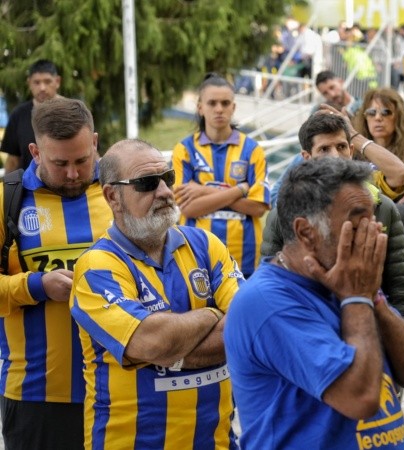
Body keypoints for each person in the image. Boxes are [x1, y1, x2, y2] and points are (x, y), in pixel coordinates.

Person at [225, 157, 404, 449]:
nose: (374, 230)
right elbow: (360, 397)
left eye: (374, 218)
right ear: (305, 232)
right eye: (358, 220)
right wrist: (357, 298)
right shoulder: (267, 301)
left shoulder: (347, 279)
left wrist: (373, 299)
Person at [70, 139, 241, 449]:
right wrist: (214, 314)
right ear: (113, 196)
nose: (164, 192)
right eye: (147, 183)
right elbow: (150, 341)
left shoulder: (205, 245)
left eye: (168, 178)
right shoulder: (97, 267)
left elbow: (250, 325)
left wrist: (171, 349)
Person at [0, 97, 109, 450]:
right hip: (35, 395)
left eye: (82, 159)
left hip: (120, 390)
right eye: (59, 163)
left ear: (95, 142)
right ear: (35, 151)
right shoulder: (7, 199)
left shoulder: (121, 192)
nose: (74, 173)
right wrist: (36, 285)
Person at [262, 112, 404, 319]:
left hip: (370, 325)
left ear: (351, 151)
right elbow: (269, 284)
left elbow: (400, 290)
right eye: (324, 149)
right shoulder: (284, 214)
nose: (335, 156)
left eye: (341, 147)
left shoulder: (382, 208)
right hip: (306, 325)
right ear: (307, 157)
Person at [172, 73, 270, 279]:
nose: (219, 109)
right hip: (195, 259)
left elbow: (258, 207)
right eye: (212, 103)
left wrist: (205, 190)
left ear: (233, 107)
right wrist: (240, 190)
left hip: (245, 260)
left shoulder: (252, 151)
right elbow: (188, 208)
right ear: (200, 107)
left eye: (225, 103)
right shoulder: (185, 150)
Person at [353, 89, 404, 295]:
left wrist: (366, 214)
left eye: (386, 112)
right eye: (371, 112)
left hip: (403, 257)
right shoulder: (354, 159)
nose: (378, 118)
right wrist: (393, 205)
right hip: (362, 258)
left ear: (399, 117)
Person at [1, 59, 61, 172]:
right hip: (29, 187)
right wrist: (7, 187)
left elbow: (90, 154)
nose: (42, 88)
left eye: (47, 81)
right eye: (37, 82)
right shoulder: (18, 115)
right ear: (29, 83)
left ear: (57, 81)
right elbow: (13, 161)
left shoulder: (75, 111)